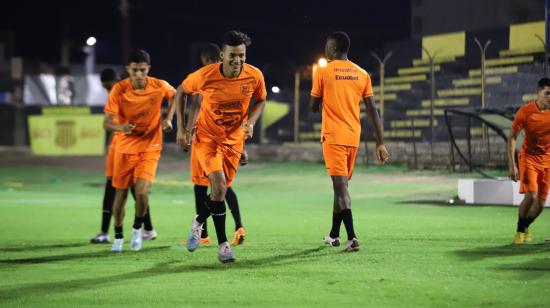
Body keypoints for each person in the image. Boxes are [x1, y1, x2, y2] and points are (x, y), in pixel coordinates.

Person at [175, 31, 267, 263]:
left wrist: (251, 123)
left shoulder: (254, 75)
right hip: (207, 139)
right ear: (222, 55)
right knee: (218, 185)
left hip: (234, 142)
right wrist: (181, 128)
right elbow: (180, 92)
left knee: (220, 191)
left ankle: (198, 222)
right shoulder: (205, 75)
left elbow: (261, 99)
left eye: (241, 56)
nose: (237, 61)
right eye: (232, 56)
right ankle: (224, 245)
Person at [310, 32, 389, 252]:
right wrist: (380, 142)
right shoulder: (362, 73)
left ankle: (352, 237)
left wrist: (323, 101)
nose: (325, 49)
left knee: (340, 188)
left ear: (333, 49)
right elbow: (373, 109)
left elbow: (313, 106)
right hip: (353, 137)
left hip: (333, 137)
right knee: (341, 187)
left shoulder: (323, 72)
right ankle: (334, 234)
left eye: (327, 46)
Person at [103, 50, 176, 252]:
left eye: (142, 70)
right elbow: (107, 123)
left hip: (150, 147)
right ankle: (118, 236)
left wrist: (169, 118)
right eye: (134, 70)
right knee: (120, 196)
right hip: (124, 150)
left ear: (148, 69)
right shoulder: (119, 89)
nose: (138, 75)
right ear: (128, 69)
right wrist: (121, 128)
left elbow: (176, 95)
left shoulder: (159, 85)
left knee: (142, 192)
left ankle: (137, 229)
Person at [184, 43, 248, 247]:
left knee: (209, 187)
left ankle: (202, 230)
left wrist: (185, 131)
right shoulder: (208, 78)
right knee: (222, 187)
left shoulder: (206, 78)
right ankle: (235, 229)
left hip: (209, 139)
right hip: (209, 140)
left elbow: (194, 105)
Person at [90, 68, 157, 244]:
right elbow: (110, 123)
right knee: (119, 188)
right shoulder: (115, 96)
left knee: (135, 190)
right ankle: (146, 229)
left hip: (131, 148)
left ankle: (109, 232)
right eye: (105, 88)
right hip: (118, 146)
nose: (108, 90)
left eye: (109, 86)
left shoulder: (127, 93)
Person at [508, 77, 550, 244]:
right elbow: (512, 138)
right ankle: (519, 231)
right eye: (547, 93)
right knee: (531, 196)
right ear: (537, 93)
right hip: (529, 159)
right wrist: (512, 166)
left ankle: (525, 226)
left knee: (540, 204)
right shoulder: (525, 112)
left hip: (547, 161)